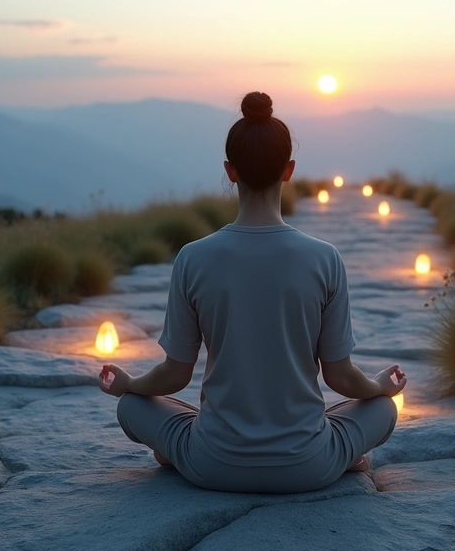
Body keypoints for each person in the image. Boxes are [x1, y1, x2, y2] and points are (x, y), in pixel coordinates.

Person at [98, 91, 405, 494]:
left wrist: (129, 383)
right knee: (382, 410)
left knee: (131, 406)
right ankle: (343, 456)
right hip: (309, 466)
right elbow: (341, 377)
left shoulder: (193, 258)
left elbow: (174, 375)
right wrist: (381, 387)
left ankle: (178, 450)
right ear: (289, 170)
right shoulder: (325, 258)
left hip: (212, 464)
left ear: (230, 171)